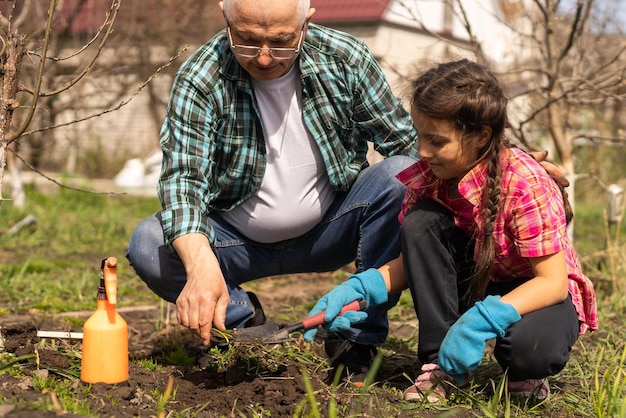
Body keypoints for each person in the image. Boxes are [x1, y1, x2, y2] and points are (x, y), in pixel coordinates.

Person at [125, 0, 419, 384]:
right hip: (236, 243)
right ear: (226, 19)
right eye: (247, 40)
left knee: (402, 176)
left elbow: (406, 145)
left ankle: (354, 340)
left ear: (305, 23)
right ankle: (241, 321)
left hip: (332, 227)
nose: (264, 58)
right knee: (149, 244)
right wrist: (199, 264)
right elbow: (183, 179)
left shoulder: (346, 58)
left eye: (281, 42)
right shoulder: (202, 76)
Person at [303, 59, 598, 401]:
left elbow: (551, 282)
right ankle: (441, 366)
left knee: (530, 350)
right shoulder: (428, 178)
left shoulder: (524, 182)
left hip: (537, 289)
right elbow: (415, 263)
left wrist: (481, 321)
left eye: (437, 141)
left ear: (481, 136)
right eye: (419, 136)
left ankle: (525, 375)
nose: (423, 151)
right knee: (421, 222)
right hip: (477, 279)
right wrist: (360, 288)